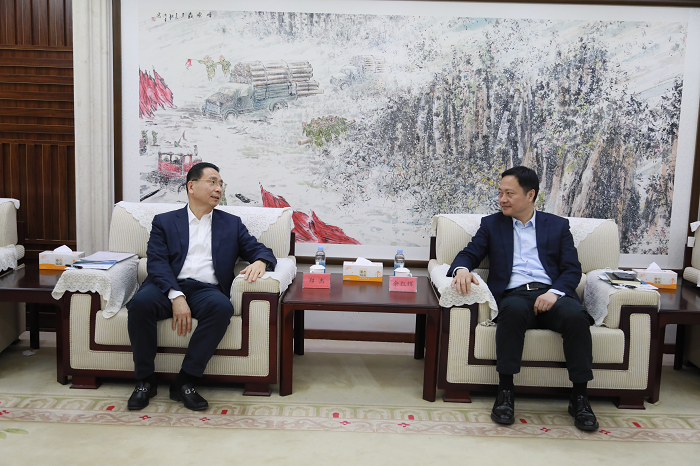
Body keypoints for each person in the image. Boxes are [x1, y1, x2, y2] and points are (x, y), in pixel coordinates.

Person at [447, 166, 598, 431]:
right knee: (513, 311)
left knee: (576, 316)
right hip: (515, 294)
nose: (502, 199)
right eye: (500, 193)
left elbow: (572, 269)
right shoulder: (492, 224)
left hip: (552, 293)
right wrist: (461, 270)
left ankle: (580, 398)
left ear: (530, 195)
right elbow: (469, 253)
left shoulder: (557, 225)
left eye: (509, 193)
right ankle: (505, 393)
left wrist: (554, 293)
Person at [126, 162, 276, 411]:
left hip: (207, 289)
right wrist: (176, 296)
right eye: (212, 182)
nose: (219, 189)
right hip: (166, 286)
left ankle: (185, 381)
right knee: (140, 304)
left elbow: (260, 249)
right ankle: (145, 381)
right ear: (191, 186)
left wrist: (261, 261)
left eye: (221, 184)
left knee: (222, 308)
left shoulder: (231, 224)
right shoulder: (164, 222)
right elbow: (157, 263)